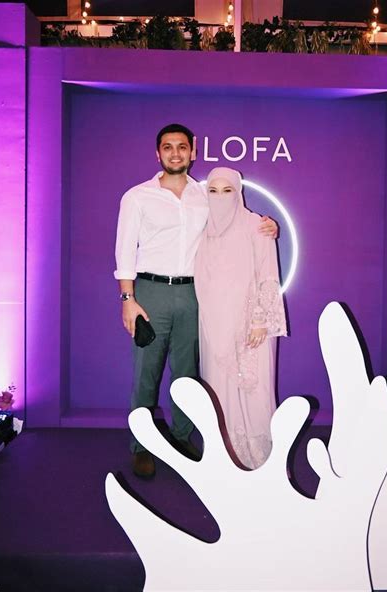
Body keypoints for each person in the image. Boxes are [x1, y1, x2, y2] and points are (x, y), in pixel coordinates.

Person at [114, 124, 277, 478]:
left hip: (193, 294)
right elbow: (124, 250)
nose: (175, 153)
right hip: (151, 292)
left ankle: (182, 436)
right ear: (158, 153)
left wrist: (268, 226)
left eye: (182, 147)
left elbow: (233, 216)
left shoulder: (204, 195)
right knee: (146, 373)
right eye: (168, 147)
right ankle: (141, 446)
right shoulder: (138, 197)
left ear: (193, 152)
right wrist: (128, 298)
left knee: (187, 373)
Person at [194, 167, 287, 470]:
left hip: (250, 324)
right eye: (213, 191)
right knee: (218, 388)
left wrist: (260, 320)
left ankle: (260, 459)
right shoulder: (201, 228)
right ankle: (224, 457)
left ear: (239, 193)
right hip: (213, 325)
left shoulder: (256, 226)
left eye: (227, 191)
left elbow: (268, 274)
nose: (220, 197)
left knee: (254, 391)